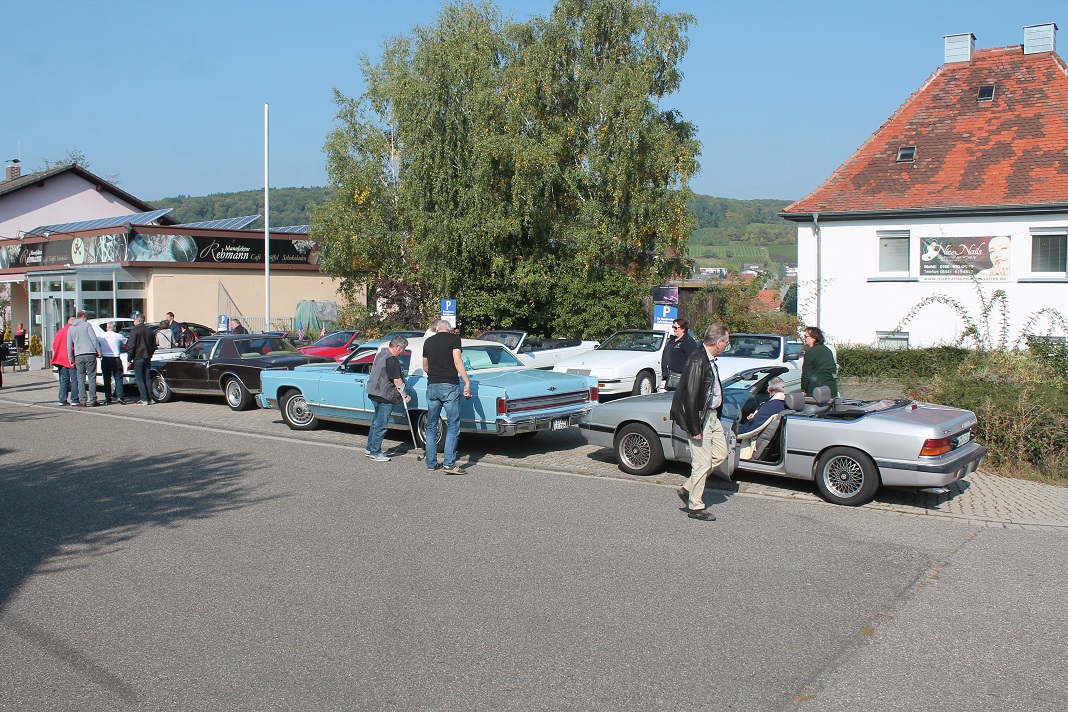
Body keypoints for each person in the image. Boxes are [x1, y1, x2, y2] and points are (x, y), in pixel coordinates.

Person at [669, 324, 731, 521]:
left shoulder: (709, 359)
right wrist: (695, 427)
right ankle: (695, 507)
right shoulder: (698, 359)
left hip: (711, 415)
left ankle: (688, 488)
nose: (727, 346)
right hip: (700, 417)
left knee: (720, 454)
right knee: (702, 463)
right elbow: (691, 396)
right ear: (718, 342)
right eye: (727, 342)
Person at [422, 319, 471, 474]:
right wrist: (466, 381)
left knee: (431, 425)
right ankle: (449, 464)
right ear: (449, 329)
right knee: (453, 424)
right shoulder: (454, 339)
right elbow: (457, 360)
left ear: (437, 329)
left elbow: (425, 366)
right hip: (449, 385)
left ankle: (431, 462)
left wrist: (435, 375)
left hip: (432, 385)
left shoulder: (428, 342)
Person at [364, 335, 411, 462]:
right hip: (385, 394)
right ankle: (375, 452)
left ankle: (370, 448)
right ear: (397, 346)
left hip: (374, 391)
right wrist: (405, 395)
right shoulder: (392, 359)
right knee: (381, 425)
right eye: (403, 349)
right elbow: (397, 380)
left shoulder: (382, 353)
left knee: (376, 422)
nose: (403, 352)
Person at [66, 311, 101, 407]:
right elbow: (94, 339)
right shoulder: (87, 325)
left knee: (80, 378)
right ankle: (93, 400)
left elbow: (69, 346)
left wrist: (70, 358)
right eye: (86, 317)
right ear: (83, 316)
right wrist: (98, 350)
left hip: (78, 355)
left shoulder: (70, 329)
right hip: (90, 353)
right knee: (91, 377)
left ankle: (82, 401)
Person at [661, 317, 699, 391]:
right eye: (673, 327)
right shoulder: (672, 340)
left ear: (683, 329)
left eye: (676, 328)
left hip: (680, 378)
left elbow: (693, 361)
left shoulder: (688, 342)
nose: (674, 329)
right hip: (669, 376)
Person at [800, 326, 838, 398]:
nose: (804, 339)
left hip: (816, 389)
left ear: (814, 338)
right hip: (831, 387)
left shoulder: (810, 352)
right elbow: (833, 369)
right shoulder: (827, 350)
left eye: (806, 336)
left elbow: (806, 373)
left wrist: (803, 389)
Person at [127, 313, 156, 405]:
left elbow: (131, 346)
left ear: (136, 320)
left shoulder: (134, 331)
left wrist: (129, 358)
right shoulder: (150, 331)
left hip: (138, 356)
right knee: (147, 378)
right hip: (147, 357)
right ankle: (150, 398)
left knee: (139, 378)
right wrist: (150, 354)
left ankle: (144, 399)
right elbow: (154, 345)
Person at [98, 321, 127, 405]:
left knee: (106, 379)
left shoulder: (101, 336)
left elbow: (97, 344)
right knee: (118, 378)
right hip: (116, 358)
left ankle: (108, 398)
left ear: (106, 328)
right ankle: (120, 396)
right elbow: (126, 342)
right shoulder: (119, 336)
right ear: (114, 328)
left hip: (105, 359)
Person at [50, 317, 77, 404]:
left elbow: (54, 345)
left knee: (64, 380)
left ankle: (62, 400)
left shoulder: (60, 331)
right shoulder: (73, 331)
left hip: (60, 359)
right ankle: (74, 399)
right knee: (74, 379)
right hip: (70, 359)